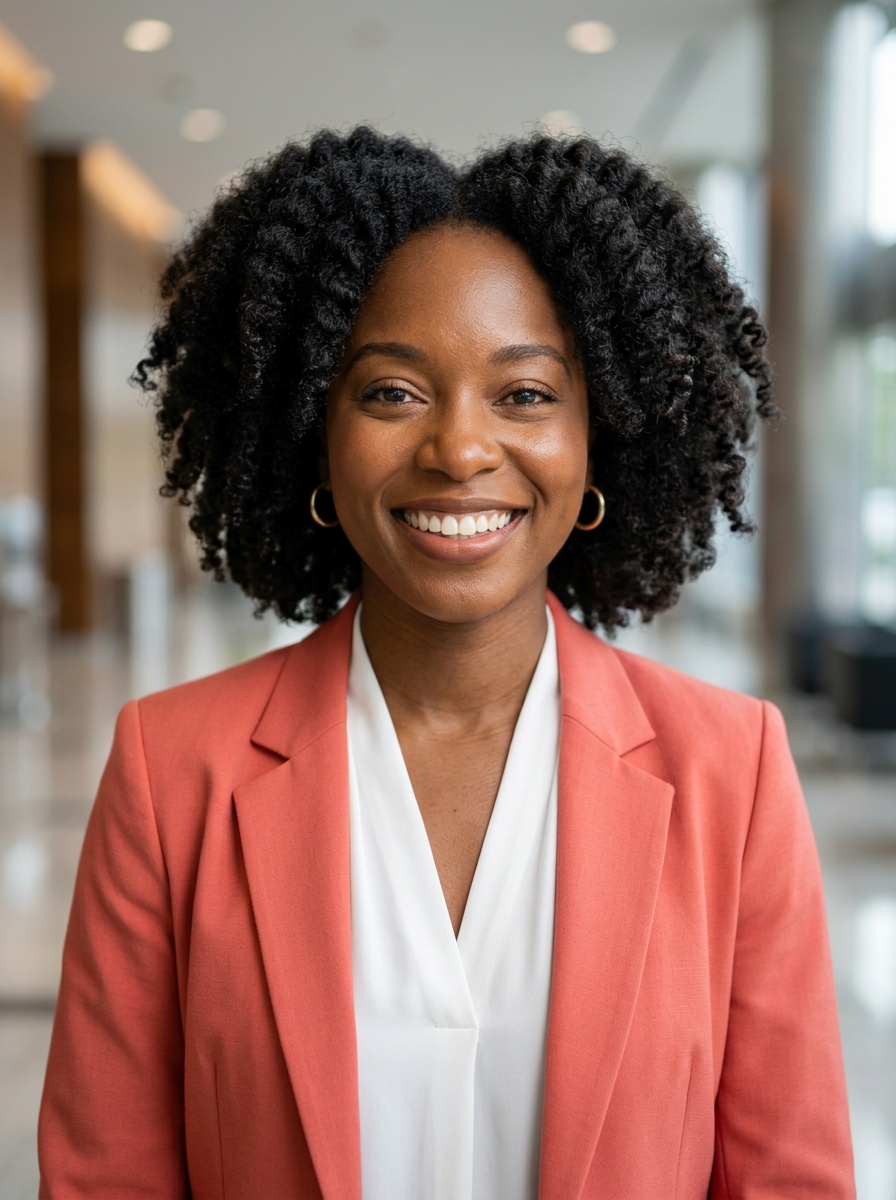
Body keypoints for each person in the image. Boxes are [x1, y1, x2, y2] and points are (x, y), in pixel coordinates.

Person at [38, 127, 854, 1199]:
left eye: (525, 394)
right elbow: (106, 1179)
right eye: (392, 392)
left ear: (598, 437)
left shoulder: (730, 771)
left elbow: (789, 1179)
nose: (460, 450)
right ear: (314, 431)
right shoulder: (171, 769)